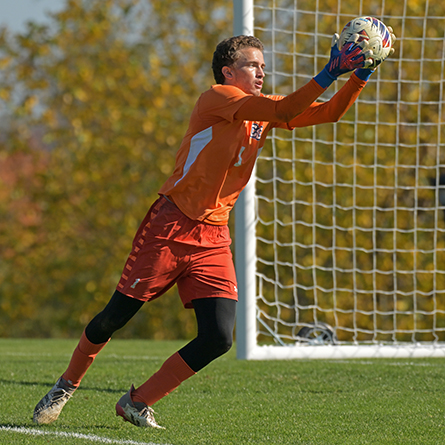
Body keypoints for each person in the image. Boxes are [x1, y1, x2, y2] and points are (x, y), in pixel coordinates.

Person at [33, 31, 392, 429]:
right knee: (113, 318)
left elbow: (329, 113)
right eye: (253, 65)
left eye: (263, 66)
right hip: (170, 226)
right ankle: (66, 384)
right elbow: (288, 108)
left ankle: (137, 402)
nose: (262, 71)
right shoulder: (216, 98)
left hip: (214, 237)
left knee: (219, 337)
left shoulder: (263, 110)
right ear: (228, 71)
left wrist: (361, 73)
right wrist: (330, 71)